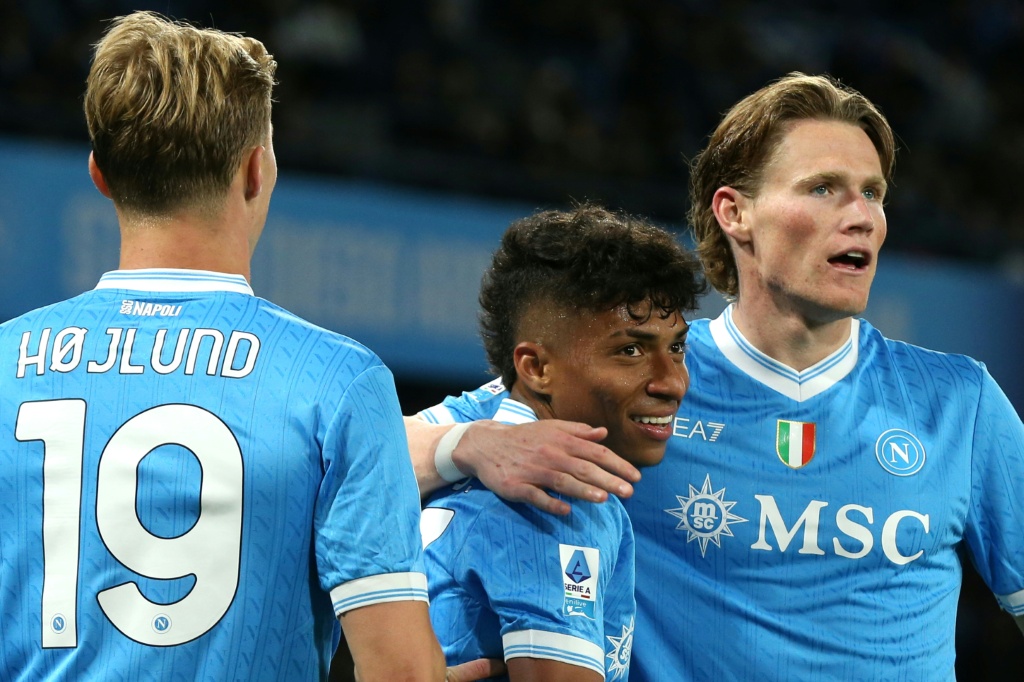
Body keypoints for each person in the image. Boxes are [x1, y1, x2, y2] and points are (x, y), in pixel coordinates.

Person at [408, 73, 1024, 679]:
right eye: (823, 189)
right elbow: (379, 453)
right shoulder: (641, 385)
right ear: (735, 213)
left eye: (873, 193)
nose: (862, 215)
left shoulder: (959, 403)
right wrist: (469, 442)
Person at [0, 12, 488, 682]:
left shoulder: (7, 363)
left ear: (100, 176)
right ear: (257, 172)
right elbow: (399, 673)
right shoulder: (338, 383)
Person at [420, 204, 704, 681]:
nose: (672, 383)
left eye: (675, 347)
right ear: (536, 368)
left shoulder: (473, 428)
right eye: (630, 350)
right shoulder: (550, 495)